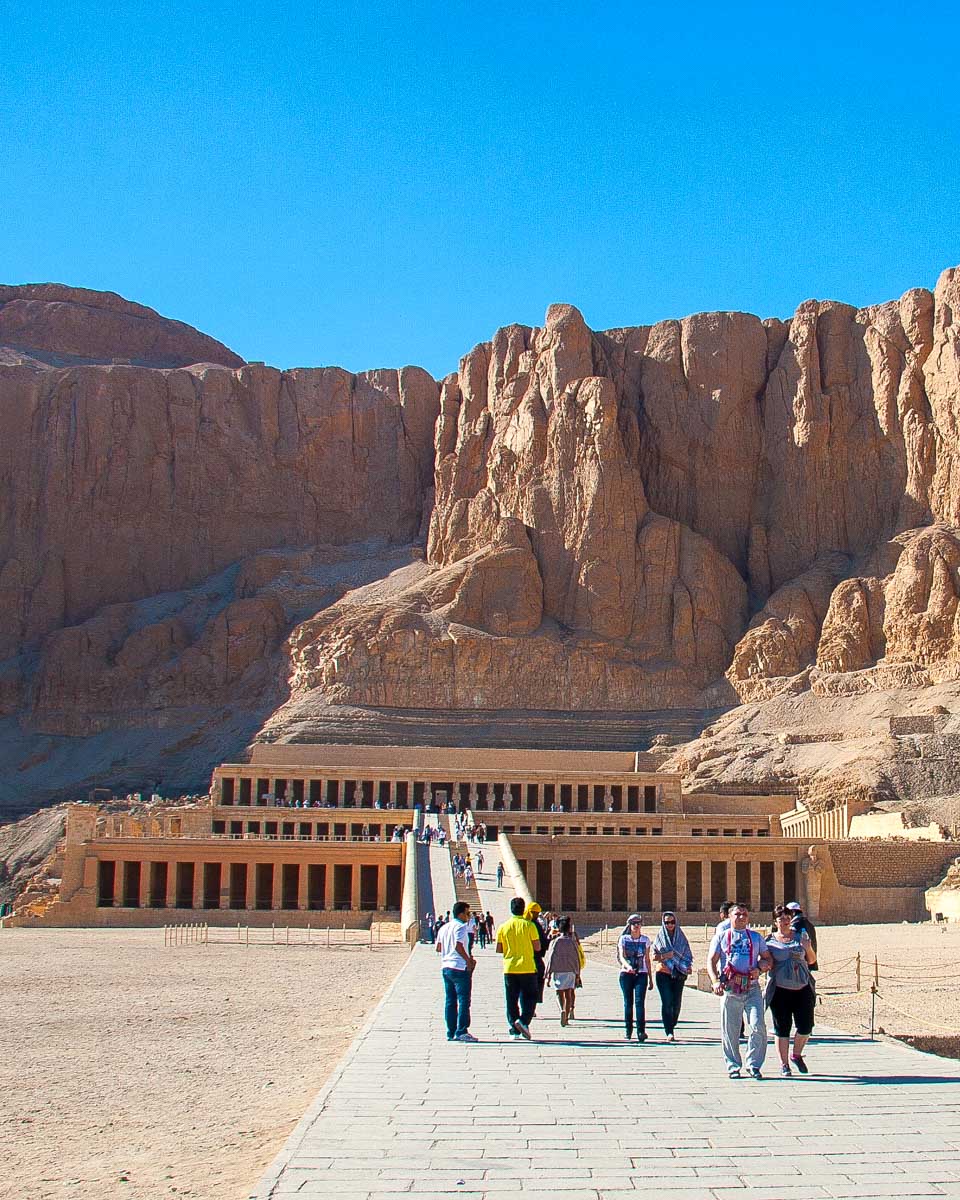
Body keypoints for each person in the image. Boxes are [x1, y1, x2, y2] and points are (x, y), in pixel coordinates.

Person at [707, 902, 772, 1079]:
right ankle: (733, 1065)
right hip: (730, 988)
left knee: (758, 1025)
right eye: (737, 914)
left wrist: (760, 968)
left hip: (751, 988)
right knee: (730, 1030)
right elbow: (711, 961)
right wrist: (714, 981)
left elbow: (767, 959)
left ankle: (754, 1064)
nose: (741, 917)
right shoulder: (721, 937)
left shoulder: (756, 937)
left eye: (744, 914)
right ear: (729, 916)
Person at [766, 903, 817, 1075]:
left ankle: (796, 1054)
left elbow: (811, 961)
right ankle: (784, 1064)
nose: (785, 922)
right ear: (775, 922)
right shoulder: (769, 941)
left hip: (802, 987)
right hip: (780, 989)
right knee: (782, 1028)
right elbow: (764, 961)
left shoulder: (801, 936)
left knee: (806, 1026)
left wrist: (808, 947)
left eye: (788, 918)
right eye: (781, 919)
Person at [495, 896, 541, 1039]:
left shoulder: (503, 927)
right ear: (523, 909)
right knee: (530, 997)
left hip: (510, 968)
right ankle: (523, 1021)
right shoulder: (529, 926)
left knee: (511, 999)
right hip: (527, 967)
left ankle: (514, 1030)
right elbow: (537, 947)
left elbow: (499, 948)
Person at [435, 900, 477, 1042]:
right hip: (459, 967)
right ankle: (462, 1031)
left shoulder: (444, 928)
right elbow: (458, 946)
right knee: (464, 1000)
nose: (469, 916)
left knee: (450, 1000)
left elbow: (438, 948)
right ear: (460, 914)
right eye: (467, 913)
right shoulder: (461, 927)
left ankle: (450, 1032)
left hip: (446, 966)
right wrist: (468, 960)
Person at [652, 911, 693, 1041]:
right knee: (667, 1002)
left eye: (672, 922)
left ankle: (672, 1023)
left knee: (676, 1003)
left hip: (678, 974)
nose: (670, 925)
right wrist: (665, 956)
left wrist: (686, 965)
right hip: (663, 973)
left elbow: (686, 954)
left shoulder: (681, 937)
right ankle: (669, 1031)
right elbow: (653, 956)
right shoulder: (660, 937)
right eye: (667, 922)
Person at [616, 914, 653, 1042]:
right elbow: (621, 956)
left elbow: (647, 960)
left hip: (641, 974)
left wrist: (651, 978)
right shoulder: (624, 939)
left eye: (638, 923)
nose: (636, 926)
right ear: (629, 925)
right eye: (634, 923)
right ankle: (628, 1030)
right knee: (628, 1003)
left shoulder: (646, 940)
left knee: (639, 1003)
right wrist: (627, 966)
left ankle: (641, 1031)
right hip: (626, 974)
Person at [544, 916, 581, 1026]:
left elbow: (551, 958)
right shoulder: (572, 941)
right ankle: (567, 1016)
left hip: (558, 970)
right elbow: (576, 958)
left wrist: (548, 975)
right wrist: (578, 974)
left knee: (559, 992)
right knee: (569, 993)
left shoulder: (555, 941)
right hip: (570, 970)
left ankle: (562, 1010)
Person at [785, 900, 818, 969]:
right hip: (809, 960)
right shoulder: (808, 923)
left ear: (793, 912)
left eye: (787, 913)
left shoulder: (796, 925)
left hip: (799, 962)